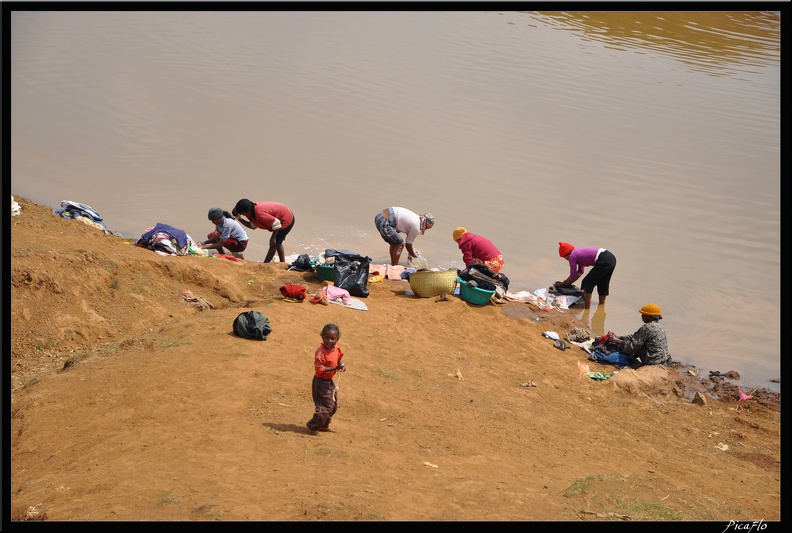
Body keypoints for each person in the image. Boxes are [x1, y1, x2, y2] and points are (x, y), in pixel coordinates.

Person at [306, 323, 346, 435]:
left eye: (333, 338)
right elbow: (320, 369)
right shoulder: (320, 352)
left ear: (337, 339)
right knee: (326, 406)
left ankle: (323, 425)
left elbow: (339, 359)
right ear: (322, 337)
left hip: (329, 382)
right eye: (326, 338)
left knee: (333, 406)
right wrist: (335, 368)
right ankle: (313, 426)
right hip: (320, 382)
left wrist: (342, 365)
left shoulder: (337, 349)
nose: (329, 341)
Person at [554, 242, 616, 309]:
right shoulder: (578, 252)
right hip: (610, 258)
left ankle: (587, 309)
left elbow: (573, 276)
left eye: (565, 258)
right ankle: (601, 305)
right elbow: (580, 272)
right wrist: (567, 283)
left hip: (603, 260)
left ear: (566, 255)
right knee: (603, 283)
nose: (566, 259)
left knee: (586, 283)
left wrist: (562, 284)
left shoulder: (572, 256)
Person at [232, 199, 295, 263]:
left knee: (274, 244)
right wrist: (240, 220)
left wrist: (273, 238)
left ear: (247, 212)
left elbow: (277, 224)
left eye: (242, 214)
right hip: (280, 217)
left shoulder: (259, 213)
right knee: (278, 243)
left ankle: (265, 264)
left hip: (286, 218)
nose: (243, 215)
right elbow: (252, 226)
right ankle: (282, 263)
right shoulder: (252, 212)